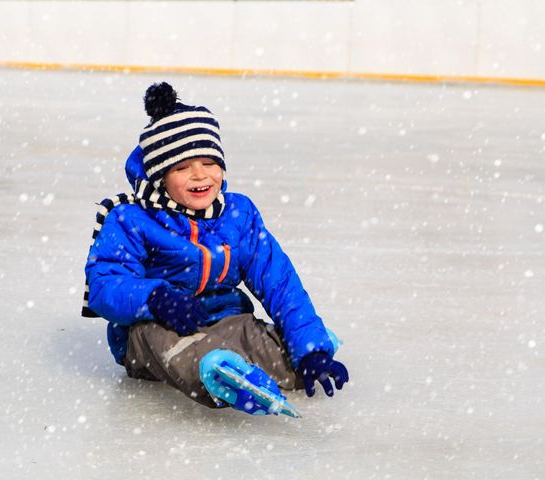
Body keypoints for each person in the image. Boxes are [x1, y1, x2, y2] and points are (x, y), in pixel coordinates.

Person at [82, 82, 348, 415]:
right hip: (153, 329)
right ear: (159, 177)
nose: (199, 176)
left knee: (280, 350)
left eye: (209, 162)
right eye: (181, 168)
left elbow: (279, 282)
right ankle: (218, 376)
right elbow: (105, 283)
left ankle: (288, 357)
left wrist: (310, 350)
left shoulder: (237, 214)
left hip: (226, 320)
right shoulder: (131, 219)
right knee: (164, 344)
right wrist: (154, 299)